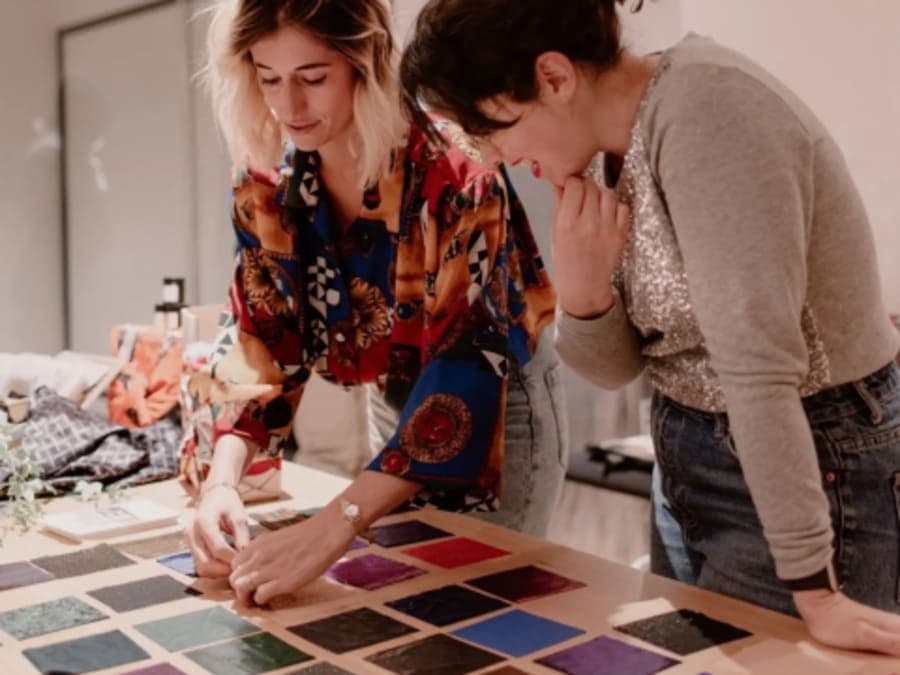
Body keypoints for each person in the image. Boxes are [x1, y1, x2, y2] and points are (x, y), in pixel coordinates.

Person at [400, 0, 900, 656]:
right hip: (689, 452)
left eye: (494, 129)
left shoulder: (707, 110)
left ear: (554, 77)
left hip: (811, 453)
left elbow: (757, 369)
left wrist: (815, 590)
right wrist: (583, 294)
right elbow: (620, 369)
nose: (498, 156)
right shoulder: (598, 149)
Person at [179, 0, 566, 606]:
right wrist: (221, 484)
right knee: (396, 611)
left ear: (368, 63)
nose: (289, 106)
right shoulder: (267, 178)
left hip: (496, 406)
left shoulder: (455, 172)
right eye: (268, 78)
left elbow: (464, 370)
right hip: (393, 398)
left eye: (313, 78)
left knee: (475, 616)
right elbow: (260, 337)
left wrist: (334, 525)